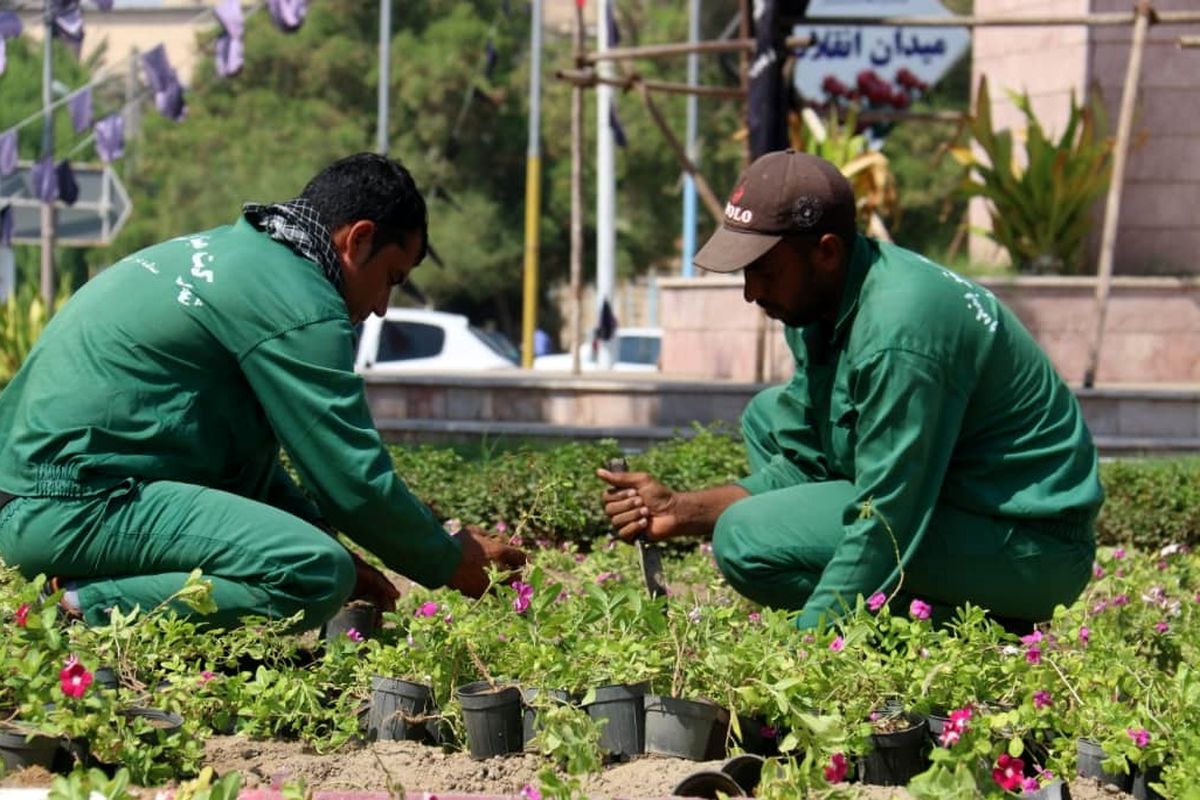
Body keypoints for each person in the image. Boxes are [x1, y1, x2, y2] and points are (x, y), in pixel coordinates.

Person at [0, 153, 526, 629]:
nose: (384, 306)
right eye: (391, 276)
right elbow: (352, 480)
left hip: (32, 501)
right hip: (68, 507)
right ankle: (72, 610)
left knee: (323, 557)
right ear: (358, 239)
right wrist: (451, 561)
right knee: (312, 571)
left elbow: (246, 466)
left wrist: (334, 541)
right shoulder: (300, 302)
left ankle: (76, 595)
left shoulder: (235, 258)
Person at [599, 150, 1103, 630]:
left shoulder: (899, 335)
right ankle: (913, 609)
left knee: (744, 540)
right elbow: (809, 463)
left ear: (826, 253)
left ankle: (984, 630)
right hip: (959, 503)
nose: (751, 292)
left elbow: (886, 519)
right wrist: (679, 510)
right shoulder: (820, 304)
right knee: (767, 417)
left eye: (763, 270)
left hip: (1031, 546)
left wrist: (799, 661)